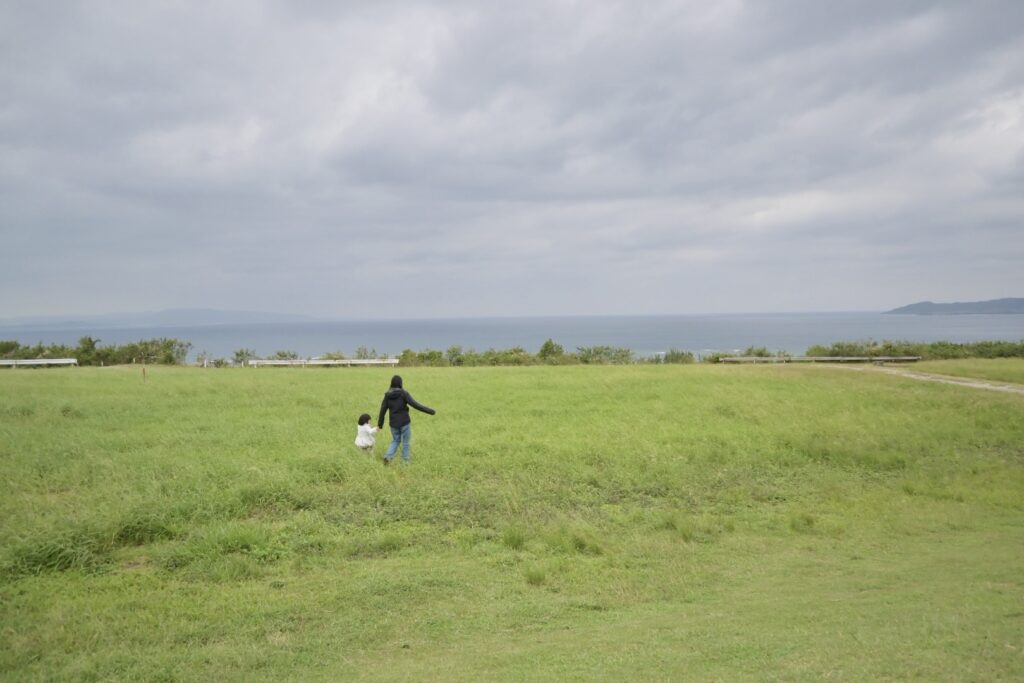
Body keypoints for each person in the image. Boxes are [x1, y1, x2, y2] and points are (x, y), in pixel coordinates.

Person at [378, 375, 435, 464]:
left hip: (393, 424)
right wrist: (430, 411)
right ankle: (405, 462)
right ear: (400, 383)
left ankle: (388, 457)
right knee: (406, 443)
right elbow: (415, 404)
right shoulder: (403, 393)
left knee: (395, 440)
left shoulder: (387, 395)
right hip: (404, 422)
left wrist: (380, 424)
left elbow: (382, 410)